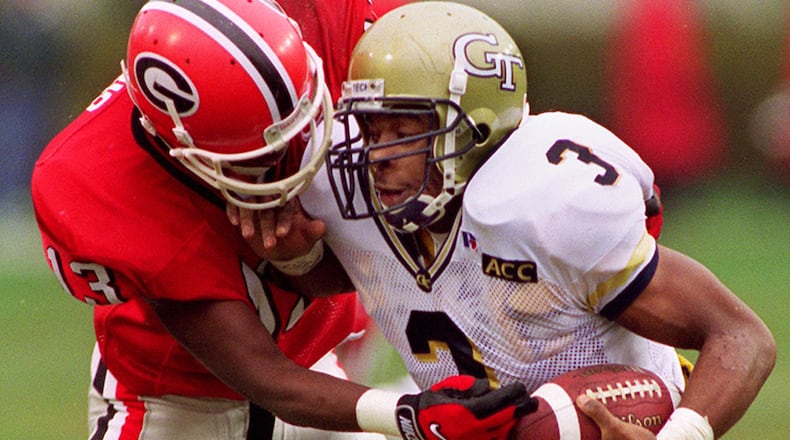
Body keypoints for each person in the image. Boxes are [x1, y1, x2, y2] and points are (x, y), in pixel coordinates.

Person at [264, 2, 775, 439]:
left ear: (476, 132)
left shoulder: (547, 202)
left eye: (404, 131)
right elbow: (362, 278)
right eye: (372, 129)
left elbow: (741, 336)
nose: (378, 155)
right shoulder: (345, 184)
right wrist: (298, 255)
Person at [31, 1, 534, 439]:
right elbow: (263, 375)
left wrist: (305, 257)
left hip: (320, 366)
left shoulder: (337, 17)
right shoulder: (102, 191)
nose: (305, 147)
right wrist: (407, 413)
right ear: (190, 153)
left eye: (307, 113)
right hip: (178, 400)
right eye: (270, 148)